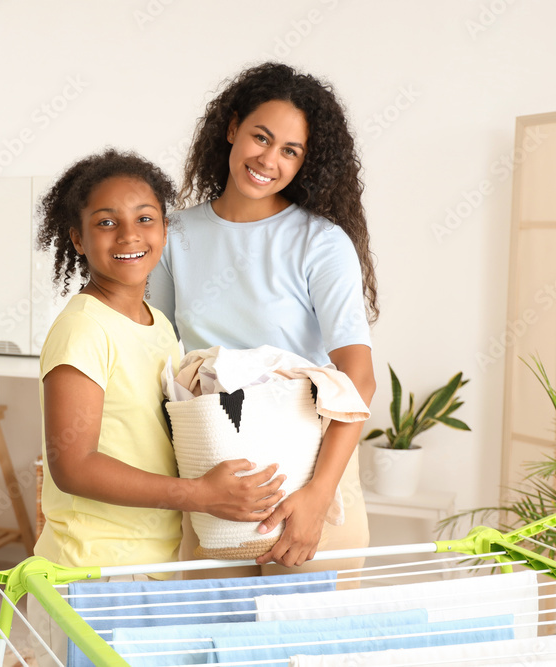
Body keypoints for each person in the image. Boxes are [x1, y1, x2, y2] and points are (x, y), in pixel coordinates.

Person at [29, 148, 284, 662]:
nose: (129, 236)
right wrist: (200, 496)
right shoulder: (84, 327)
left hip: (148, 567)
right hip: (93, 571)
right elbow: (72, 466)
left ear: (164, 230)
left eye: (145, 219)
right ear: (77, 238)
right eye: (106, 223)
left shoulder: (158, 324)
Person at [148, 62, 378, 577]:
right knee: (211, 652)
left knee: (310, 654)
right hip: (216, 478)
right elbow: (157, 357)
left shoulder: (320, 242)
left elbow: (358, 377)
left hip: (312, 474)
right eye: (260, 137)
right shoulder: (174, 235)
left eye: (289, 151)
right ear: (232, 129)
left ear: (304, 163)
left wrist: (319, 496)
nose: (268, 160)